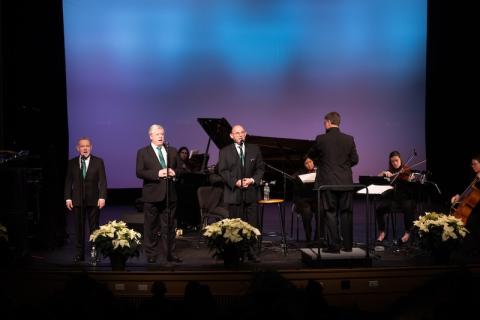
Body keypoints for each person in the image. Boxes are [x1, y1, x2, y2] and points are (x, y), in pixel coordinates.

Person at [308, 112, 359, 253]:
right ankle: (348, 246)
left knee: (330, 213)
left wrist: (324, 162)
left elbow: (311, 154)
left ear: (329, 122)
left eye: (324, 123)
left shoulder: (321, 139)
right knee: (346, 213)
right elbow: (355, 160)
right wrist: (342, 166)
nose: (324, 125)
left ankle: (334, 246)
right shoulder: (349, 139)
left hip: (328, 182)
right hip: (346, 183)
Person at [136, 124, 183, 263]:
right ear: (150, 136)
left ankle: (170, 253)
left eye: (162, 134)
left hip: (170, 195)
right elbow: (139, 172)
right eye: (157, 134)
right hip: (152, 195)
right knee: (151, 226)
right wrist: (158, 173)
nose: (161, 136)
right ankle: (151, 254)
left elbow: (181, 169)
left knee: (169, 226)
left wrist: (175, 172)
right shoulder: (143, 152)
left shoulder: (172, 151)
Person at [218, 124, 264, 260]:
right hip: (234, 194)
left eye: (242, 132)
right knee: (236, 226)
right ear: (231, 136)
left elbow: (260, 168)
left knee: (252, 225)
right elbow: (223, 171)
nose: (240, 135)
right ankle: (237, 253)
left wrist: (252, 180)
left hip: (251, 192)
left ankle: (252, 252)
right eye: (236, 133)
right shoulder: (225, 151)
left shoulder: (254, 149)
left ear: (246, 134)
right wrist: (236, 182)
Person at [64, 137, 107, 262]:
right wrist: (67, 198)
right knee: (78, 228)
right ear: (78, 148)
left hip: (93, 200)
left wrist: (102, 197)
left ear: (91, 147)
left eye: (87, 146)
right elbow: (68, 182)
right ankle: (79, 254)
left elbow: (103, 181)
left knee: (94, 228)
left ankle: (95, 253)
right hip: (77, 200)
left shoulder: (98, 162)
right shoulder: (72, 163)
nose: (85, 148)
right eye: (82, 146)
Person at [376, 150, 417, 245]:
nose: (394, 163)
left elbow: (413, 185)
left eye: (396, 160)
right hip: (395, 201)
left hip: (407, 200)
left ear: (400, 159)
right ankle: (382, 232)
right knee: (379, 209)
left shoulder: (407, 170)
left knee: (408, 206)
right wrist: (383, 173)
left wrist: (411, 179)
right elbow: (377, 179)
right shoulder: (390, 171)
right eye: (392, 161)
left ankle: (407, 233)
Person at [450, 154, 480, 253]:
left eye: (475, 164)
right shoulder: (474, 177)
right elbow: (467, 191)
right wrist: (458, 196)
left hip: (477, 208)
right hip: (473, 206)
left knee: (470, 222)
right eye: (472, 164)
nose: (473, 166)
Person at [292, 157, 324, 244]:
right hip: (304, 200)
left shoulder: (320, 171)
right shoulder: (299, 173)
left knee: (321, 211)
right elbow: (296, 191)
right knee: (306, 214)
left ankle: (318, 238)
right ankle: (308, 238)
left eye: (310, 162)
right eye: (306, 163)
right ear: (303, 165)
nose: (309, 164)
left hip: (316, 199)